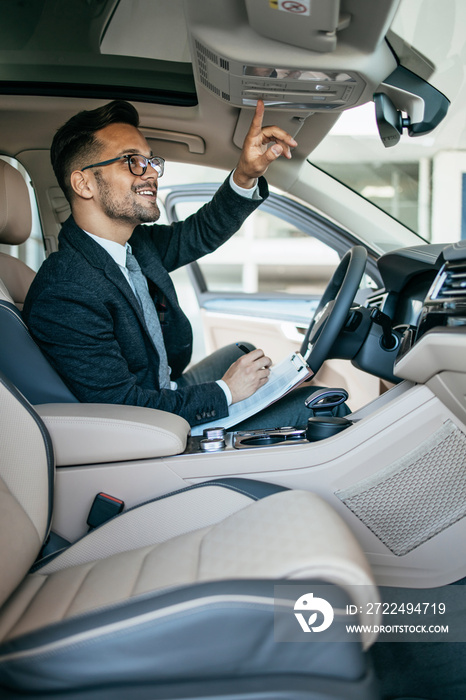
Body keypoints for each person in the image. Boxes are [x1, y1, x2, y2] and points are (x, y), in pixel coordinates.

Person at [24, 99, 346, 430]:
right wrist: (225, 392)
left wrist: (246, 174)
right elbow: (124, 411)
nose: (151, 172)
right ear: (84, 184)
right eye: (133, 161)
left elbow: (199, 233)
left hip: (166, 391)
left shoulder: (131, 245)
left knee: (247, 355)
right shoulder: (65, 291)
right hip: (157, 428)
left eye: (150, 160)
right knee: (323, 405)